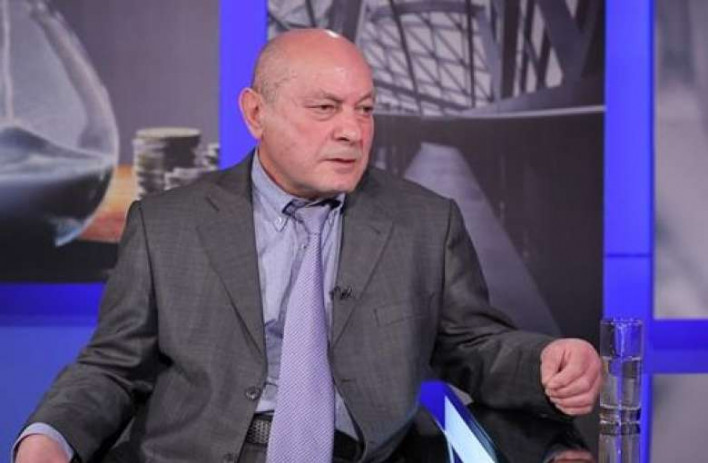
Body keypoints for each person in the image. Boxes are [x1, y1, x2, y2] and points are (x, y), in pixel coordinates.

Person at [15, 29, 602, 463]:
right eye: (325, 108)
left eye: (365, 109)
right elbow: (112, 367)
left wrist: (545, 362)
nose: (353, 130)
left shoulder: (425, 222)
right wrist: (48, 438)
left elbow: (473, 346)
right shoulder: (166, 224)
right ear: (255, 114)